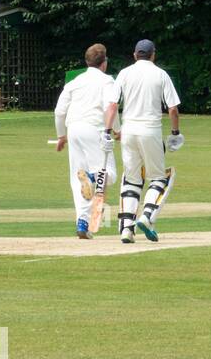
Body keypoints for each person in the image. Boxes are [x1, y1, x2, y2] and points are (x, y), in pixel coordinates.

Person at [103, 39, 183, 243]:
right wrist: (175, 132)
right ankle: (147, 216)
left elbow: (112, 106)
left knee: (131, 179)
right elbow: (172, 109)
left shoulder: (124, 73)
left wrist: (106, 131)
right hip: (151, 131)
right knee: (159, 178)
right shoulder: (160, 74)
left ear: (135, 55)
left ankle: (126, 229)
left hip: (128, 131)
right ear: (153, 54)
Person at [52, 43, 117, 238]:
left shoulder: (74, 82)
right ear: (104, 63)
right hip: (94, 129)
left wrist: (61, 135)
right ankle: (90, 177)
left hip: (74, 130)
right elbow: (110, 107)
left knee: (75, 178)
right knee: (108, 174)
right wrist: (117, 130)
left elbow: (59, 111)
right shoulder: (107, 81)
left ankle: (82, 223)